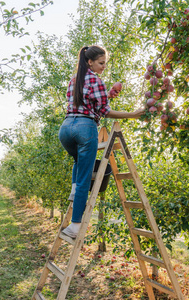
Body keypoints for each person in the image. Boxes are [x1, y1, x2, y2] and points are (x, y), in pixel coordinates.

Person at [59, 45, 144, 238]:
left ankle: (74, 192)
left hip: (65, 129)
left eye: (105, 63)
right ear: (90, 62)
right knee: (84, 180)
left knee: (78, 163)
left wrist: (107, 95)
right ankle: (75, 226)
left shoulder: (74, 80)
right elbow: (104, 112)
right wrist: (133, 114)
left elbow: (85, 103)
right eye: (101, 63)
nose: (104, 66)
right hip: (84, 129)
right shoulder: (96, 80)